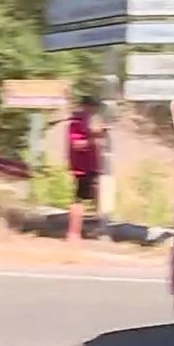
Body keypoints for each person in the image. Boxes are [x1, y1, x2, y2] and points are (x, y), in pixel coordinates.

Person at [66, 95, 104, 244]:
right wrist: (93, 139)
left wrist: (97, 133)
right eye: (92, 107)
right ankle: (73, 233)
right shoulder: (76, 123)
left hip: (92, 165)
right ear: (85, 106)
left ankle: (93, 230)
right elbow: (77, 144)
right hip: (82, 167)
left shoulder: (87, 122)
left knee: (96, 197)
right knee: (78, 200)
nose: (93, 111)